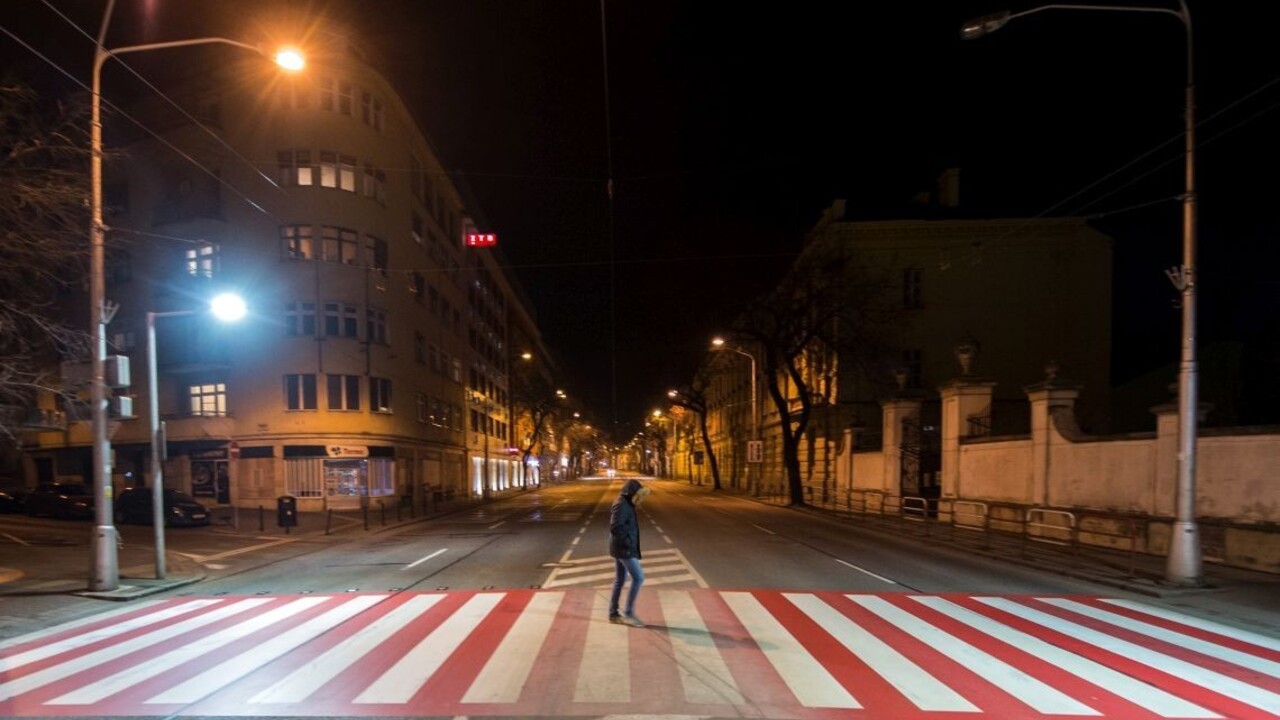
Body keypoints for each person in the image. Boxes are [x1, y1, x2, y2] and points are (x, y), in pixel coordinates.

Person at [608, 478, 651, 626]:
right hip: (624, 549)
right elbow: (615, 528)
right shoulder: (622, 505)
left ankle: (613, 614)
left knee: (619, 580)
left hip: (621, 547)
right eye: (638, 495)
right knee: (638, 578)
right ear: (632, 493)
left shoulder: (627, 503)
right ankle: (629, 613)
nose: (640, 499)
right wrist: (627, 544)